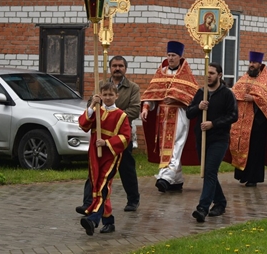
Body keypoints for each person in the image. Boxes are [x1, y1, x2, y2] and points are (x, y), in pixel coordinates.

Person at [75, 56, 141, 215]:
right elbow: (90, 106)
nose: (117, 68)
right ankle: (88, 202)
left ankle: (133, 199)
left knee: (126, 168)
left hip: (120, 135)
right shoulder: (101, 85)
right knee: (94, 169)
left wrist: (115, 117)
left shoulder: (133, 87)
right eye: (114, 66)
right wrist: (95, 103)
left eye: (120, 66)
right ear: (110, 68)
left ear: (125, 68)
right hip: (100, 138)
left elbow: (135, 109)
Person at [141, 41, 200, 192]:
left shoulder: (186, 75)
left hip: (179, 114)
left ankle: (165, 177)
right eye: (169, 55)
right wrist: (146, 107)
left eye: (173, 55)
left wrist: (176, 99)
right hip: (162, 115)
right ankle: (177, 179)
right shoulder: (161, 72)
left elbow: (193, 97)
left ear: (180, 57)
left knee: (175, 144)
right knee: (165, 146)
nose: (171, 58)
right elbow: (152, 93)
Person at [187, 63, 238, 222]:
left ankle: (202, 208)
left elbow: (233, 116)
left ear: (220, 75)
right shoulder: (201, 92)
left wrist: (213, 123)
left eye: (212, 73)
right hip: (202, 138)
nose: (208, 76)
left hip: (219, 139)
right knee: (208, 173)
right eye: (206, 73)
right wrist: (198, 107)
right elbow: (189, 112)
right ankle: (220, 202)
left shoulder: (227, 94)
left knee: (209, 171)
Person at [78, 82, 131, 236]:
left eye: (110, 95)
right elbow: (83, 125)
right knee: (98, 187)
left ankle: (93, 219)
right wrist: (92, 105)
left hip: (111, 156)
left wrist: (107, 142)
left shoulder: (121, 115)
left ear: (116, 96)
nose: (107, 98)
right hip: (95, 153)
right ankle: (108, 221)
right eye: (105, 95)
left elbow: (125, 137)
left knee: (102, 186)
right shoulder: (97, 111)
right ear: (100, 95)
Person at [228, 51, 267, 187]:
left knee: (255, 151)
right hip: (242, 122)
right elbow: (235, 92)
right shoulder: (244, 78)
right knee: (242, 147)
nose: (252, 65)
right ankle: (242, 175)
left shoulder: (265, 81)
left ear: (260, 64)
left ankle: (253, 178)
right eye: (251, 62)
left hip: (258, 123)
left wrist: (254, 99)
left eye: (254, 63)